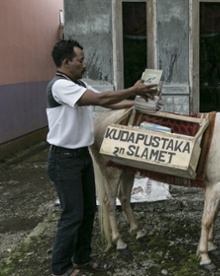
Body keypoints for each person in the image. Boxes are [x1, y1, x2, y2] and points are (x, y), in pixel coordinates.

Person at [46, 39, 157, 276]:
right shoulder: (59, 87)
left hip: (80, 156)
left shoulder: (78, 83)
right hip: (63, 160)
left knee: (87, 212)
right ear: (67, 62)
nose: (84, 64)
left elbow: (113, 101)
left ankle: (82, 259)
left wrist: (142, 104)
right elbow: (101, 100)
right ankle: (60, 268)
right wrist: (134, 90)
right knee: (72, 214)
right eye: (81, 60)